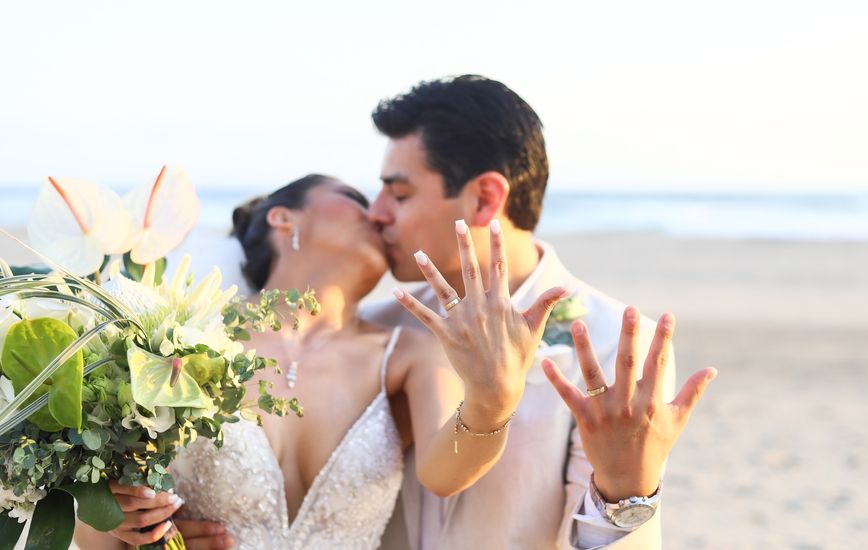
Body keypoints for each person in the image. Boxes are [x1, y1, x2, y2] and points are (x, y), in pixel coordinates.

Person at [73, 174, 567, 549]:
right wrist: (115, 518)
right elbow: (98, 526)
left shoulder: (407, 353)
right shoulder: (178, 340)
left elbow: (444, 474)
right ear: (283, 217)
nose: (377, 213)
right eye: (354, 198)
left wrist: (492, 398)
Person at [361, 75, 716, 549]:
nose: (375, 213)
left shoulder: (615, 341)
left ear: (486, 198)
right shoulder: (377, 327)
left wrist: (626, 492)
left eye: (400, 195)